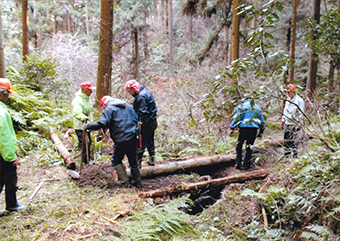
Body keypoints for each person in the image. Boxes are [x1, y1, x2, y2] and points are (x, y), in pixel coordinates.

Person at [83, 96, 142, 188]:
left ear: (106, 104)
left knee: (116, 160)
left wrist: (88, 126)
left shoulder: (109, 109)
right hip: (133, 137)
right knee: (133, 160)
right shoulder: (128, 107)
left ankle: (124, 181)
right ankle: (137, 181)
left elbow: (102, 123)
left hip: (121, 138)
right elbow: (136, 119)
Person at [0, 78, 27, 216]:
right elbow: (5, 138)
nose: (8, 96)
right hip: (2, 153)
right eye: (7, 93)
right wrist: (11, 157)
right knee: (10, 177)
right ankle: (12, 204)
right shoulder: (2, 113)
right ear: (2, 94)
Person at [125, 79, 158, 167]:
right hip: (152, 122)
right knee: (150, 141)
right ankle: (152, 159)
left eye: (130, 90)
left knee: (140, 143)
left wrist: (139, 124)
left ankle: (137, 163)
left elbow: (143, 113)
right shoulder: (144, 92)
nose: (129, 93)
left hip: (146, 124)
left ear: (134, 88)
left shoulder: (141, 97)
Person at [229, 94, 265, 170]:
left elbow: (237, 117)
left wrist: (232, 127)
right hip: (253, 129)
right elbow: (262, 121)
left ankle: (238, 163)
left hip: (243, 128)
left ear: (245, 99)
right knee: (249, 146)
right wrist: (261, 131)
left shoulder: (242, 107)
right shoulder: (257, 108)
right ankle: (247, 164)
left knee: (239, 145)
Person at [72, 81, 95, 164]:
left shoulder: (87, 99)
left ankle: (87, 160)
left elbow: (89, 112)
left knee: (89, 143)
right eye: (90, 90)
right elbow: (76, 112)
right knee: (85, 143)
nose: (91, 92)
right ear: (85, 90)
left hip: (87, 125)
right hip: (80, 126)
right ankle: (85, 162)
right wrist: (84, 118)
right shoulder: (78, 100)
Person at [281, 84, 305, 158]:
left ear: (293, 92)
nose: (288, 94)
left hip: (295, 124)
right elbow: (285, 111)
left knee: (294, 141)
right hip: (287, 123)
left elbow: (301, 113)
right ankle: (286, 156)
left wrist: (299, 124)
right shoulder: (288, 100)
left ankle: (295, 156)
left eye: (289, 92)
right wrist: (283, 120)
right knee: (286, 141)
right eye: (287, 92)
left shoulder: (299, 100)